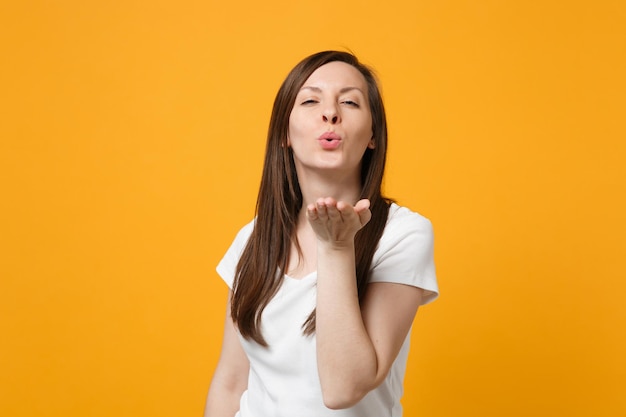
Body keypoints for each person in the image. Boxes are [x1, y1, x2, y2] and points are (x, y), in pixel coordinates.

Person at [204, 50, 439, 417]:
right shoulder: (252, 241)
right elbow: (231, 381)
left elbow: (343, 388)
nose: (330, 113)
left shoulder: (403, 233)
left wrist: (336, 247)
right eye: (311, 100)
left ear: (373, 134)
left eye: (349, 101)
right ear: (284, 132)